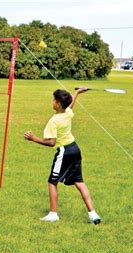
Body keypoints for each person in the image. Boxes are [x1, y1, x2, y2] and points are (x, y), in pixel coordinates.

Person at [24, 87, 101, 224]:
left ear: (58, 104)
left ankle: (53, 214)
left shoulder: (53, 121)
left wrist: (33, 138)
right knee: (79, 181)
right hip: (75, 149)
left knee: (52, 182)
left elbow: (51, 142)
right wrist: (77, 93)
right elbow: (70, 106)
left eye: (54, 100)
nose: (52, 102)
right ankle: (93, 214)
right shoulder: (67, 113)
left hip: (64, 152)